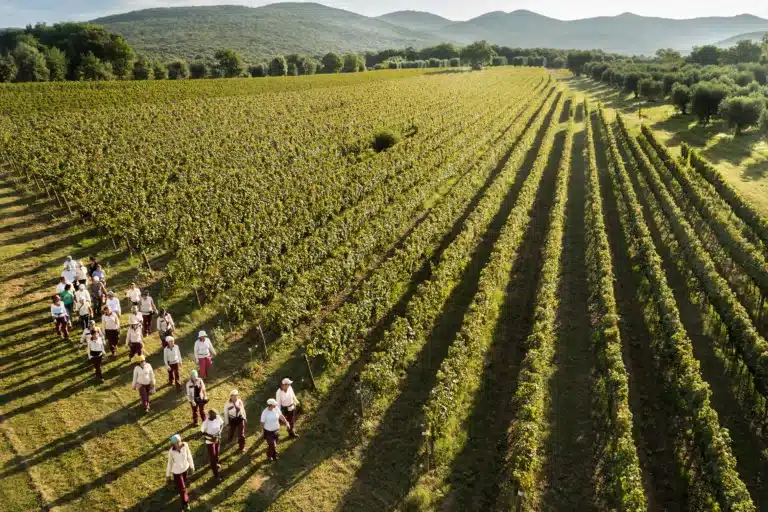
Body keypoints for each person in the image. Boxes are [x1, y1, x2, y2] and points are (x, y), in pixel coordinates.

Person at [166, 434, 194, 511]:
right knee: (183, 489)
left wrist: (192, 466)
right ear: (173, 444)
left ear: (181, 440)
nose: (178, 444)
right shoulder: (171, 451)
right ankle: (185, 504)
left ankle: (177, 487)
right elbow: (170, 463)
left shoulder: (185, 446)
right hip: (177, 472)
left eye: (179, 442)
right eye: (176, 443)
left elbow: (189, 456)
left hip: (185, 469)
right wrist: (168, 475)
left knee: (182, 486)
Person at [200, 410, 223, 478]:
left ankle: (216, 464)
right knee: (212, 457)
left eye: (215, 415)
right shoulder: (206, 423)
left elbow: (221, 424)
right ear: (209, 416)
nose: (215, 417)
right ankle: (216, 473)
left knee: (217, 454)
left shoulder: (218, 417)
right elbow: (202, 432)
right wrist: (211, 436)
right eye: (213, 416)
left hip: (217, 439)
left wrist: (219, 432)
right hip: (210, 442)